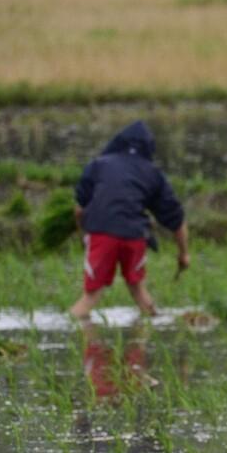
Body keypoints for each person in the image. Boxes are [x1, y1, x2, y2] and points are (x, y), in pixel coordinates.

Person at [69, 121, 190, 319]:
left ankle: (74, 332)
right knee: (138, 289)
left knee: (91, 296)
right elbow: (177, 219)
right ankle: (146, 336)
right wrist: (184, 254)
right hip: (134, 236)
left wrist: (85, 233)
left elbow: (79, 209)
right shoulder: (153, 173)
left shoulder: (98, 165)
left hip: (102, 234)